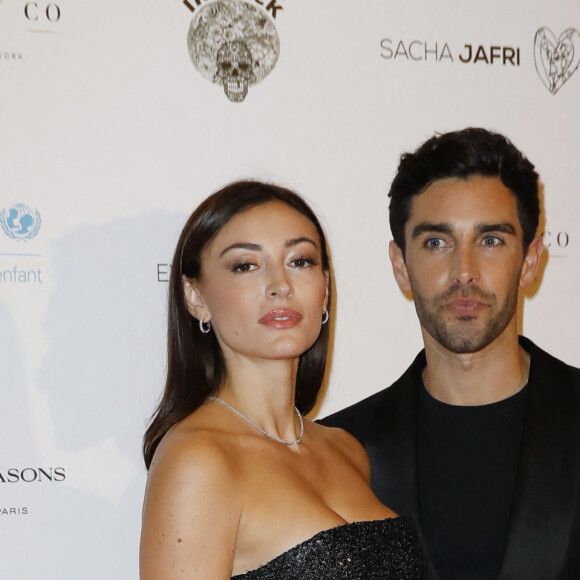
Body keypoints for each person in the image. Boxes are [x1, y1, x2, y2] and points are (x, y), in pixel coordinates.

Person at [321, 128, 580, 580]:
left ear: (531, 260)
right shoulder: (337, 450)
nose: (464, 272)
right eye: (436, 243)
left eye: (491, 240)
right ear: (401, 266)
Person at [140, 181, 425, 579]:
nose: (281, 286)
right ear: (195, 297)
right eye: (246, 265)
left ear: (325, 289)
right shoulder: (198, 460)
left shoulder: (347, 451)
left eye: (300, 261)